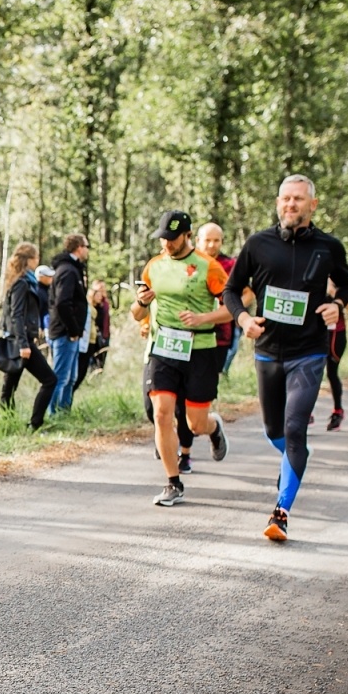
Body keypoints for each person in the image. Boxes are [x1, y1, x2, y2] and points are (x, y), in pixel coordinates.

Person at [223, 175, 348, 541]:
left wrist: (337, 305)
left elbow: (347, 282)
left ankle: (280, 513)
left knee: (295, 430)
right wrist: (243, 318)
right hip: (267, 352)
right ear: (278, 202)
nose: (290, 205)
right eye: (285, 199)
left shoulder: (329, 247)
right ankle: (294, 458)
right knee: (274, 431)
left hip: (308, 353)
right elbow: (231, 290)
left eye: (298, 199)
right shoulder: (258, 243)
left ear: (312, 205)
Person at [130, 211, 230, 507]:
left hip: (199, 350)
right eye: (162, 237)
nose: (166, 243)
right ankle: (173, 482)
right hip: (163, 348)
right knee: (161, 414)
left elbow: (231, 309)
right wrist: (140, 303)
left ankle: (213, 428)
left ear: (187, 236)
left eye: (171, 238)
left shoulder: (208, 268)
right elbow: (136, 313)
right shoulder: (154, 266)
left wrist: (203, 318)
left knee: (195, 424)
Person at [0, 247, 56, 429]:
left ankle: (26, 424)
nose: (38, 259)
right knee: (48, 380)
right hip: (19, 343)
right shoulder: (22, 283)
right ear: (29, 259)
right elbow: (16, 314)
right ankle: (27, 424)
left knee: (10, 386)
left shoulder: (27, 281)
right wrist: (23, 344)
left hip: (23, 340)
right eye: (36, 257)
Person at [46, 233, 89, 414]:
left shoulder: (74, 269)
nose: (87, 250)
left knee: (71, 378)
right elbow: (63, 303)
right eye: (86, 246)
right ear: (79, 247)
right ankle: (52, 414)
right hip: (65, 333)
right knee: (60, 377)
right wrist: (72, 329)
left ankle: (64, 413)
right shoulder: (68, 271)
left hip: (72, 334)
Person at [196, 223, 242, 376]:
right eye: (207, 240)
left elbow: (248, 293)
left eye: (216, 240)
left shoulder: (230, 265)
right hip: (190, 330)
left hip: (222, 332)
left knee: (211, 378)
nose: (211, 245)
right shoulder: (188, 264)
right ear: (198, 240)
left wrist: (237, 310)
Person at [76, 279, 112, 389]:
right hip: (92, 337)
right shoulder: (90, 306)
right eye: (99, 290)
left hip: (104, 335)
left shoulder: (105, 304)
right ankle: (89, 380)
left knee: (101, 360)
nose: (101, 293)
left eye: (103, 290)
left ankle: (97, 381)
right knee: (90, 361)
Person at [323, 277, 348, 431]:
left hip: (335, 333)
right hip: (312, 331)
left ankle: (337, 410)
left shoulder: (341, 276)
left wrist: (332, 290)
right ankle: (305, 412)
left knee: (332, 372)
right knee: (311, 370)